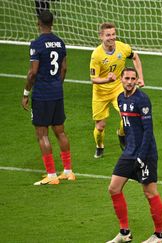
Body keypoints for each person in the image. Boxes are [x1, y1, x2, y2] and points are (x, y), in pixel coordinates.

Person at [106, 67, 162, 243]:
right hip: (129, 152)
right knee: (114, 188)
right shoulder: (121, 98)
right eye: (127, 78)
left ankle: (159, 236)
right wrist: (124, 142)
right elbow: (127, 125)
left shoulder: (142, 100)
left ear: (137, 80)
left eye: (133, 78)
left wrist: (141, 156)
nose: (130, 82)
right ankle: (124, 233)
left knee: (150, 192)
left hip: (145, 153)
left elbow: (148, 131)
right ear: (121, 79)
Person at [21, 10, 75, 185]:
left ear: (38, 23)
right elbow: (64, 68)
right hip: (57, 92)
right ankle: (68, 171)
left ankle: (51, 175)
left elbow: (32, 72)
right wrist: (57, 85)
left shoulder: (36, 44)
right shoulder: (60, 43)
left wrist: (26, 93)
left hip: (42, 94)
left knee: (42, 134)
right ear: (52, 23)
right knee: (60, 131)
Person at [90, 22, 144, 158]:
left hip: (118, 89)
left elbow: (135, 57)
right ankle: (99, 146)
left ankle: (121, 134)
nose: (112, 37)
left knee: (127, 117)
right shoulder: (96, 55)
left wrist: (140, 78)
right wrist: (107, 80)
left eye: (113, 34)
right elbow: (93, 79)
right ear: (101, 37)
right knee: (100, 126)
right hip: (100, 92)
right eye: (108, 35)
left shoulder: (122, 48)